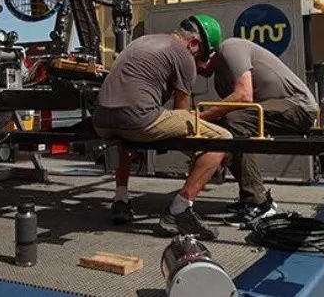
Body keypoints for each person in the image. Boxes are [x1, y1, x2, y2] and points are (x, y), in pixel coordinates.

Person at [91, 14, 229, 240]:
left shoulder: (141, 41)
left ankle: (121, 200)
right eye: (200, 54)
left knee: (127, 136)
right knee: (221, 139)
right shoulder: (184, 56)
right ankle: (180, 210)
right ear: (193, 43)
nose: (198, 61)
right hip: (136, 120)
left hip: (102, 121)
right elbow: (182, 112)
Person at [196, 37, 319, 228]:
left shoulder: (229, 48)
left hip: (298, 107)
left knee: (233, 121)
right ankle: (250, 197)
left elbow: (244, 96)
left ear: (205, 51)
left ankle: (258, 202)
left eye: (194, 59)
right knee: (225, 126)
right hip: (278, 108)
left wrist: (202, 117)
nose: (195, 68)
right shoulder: (220, 79)